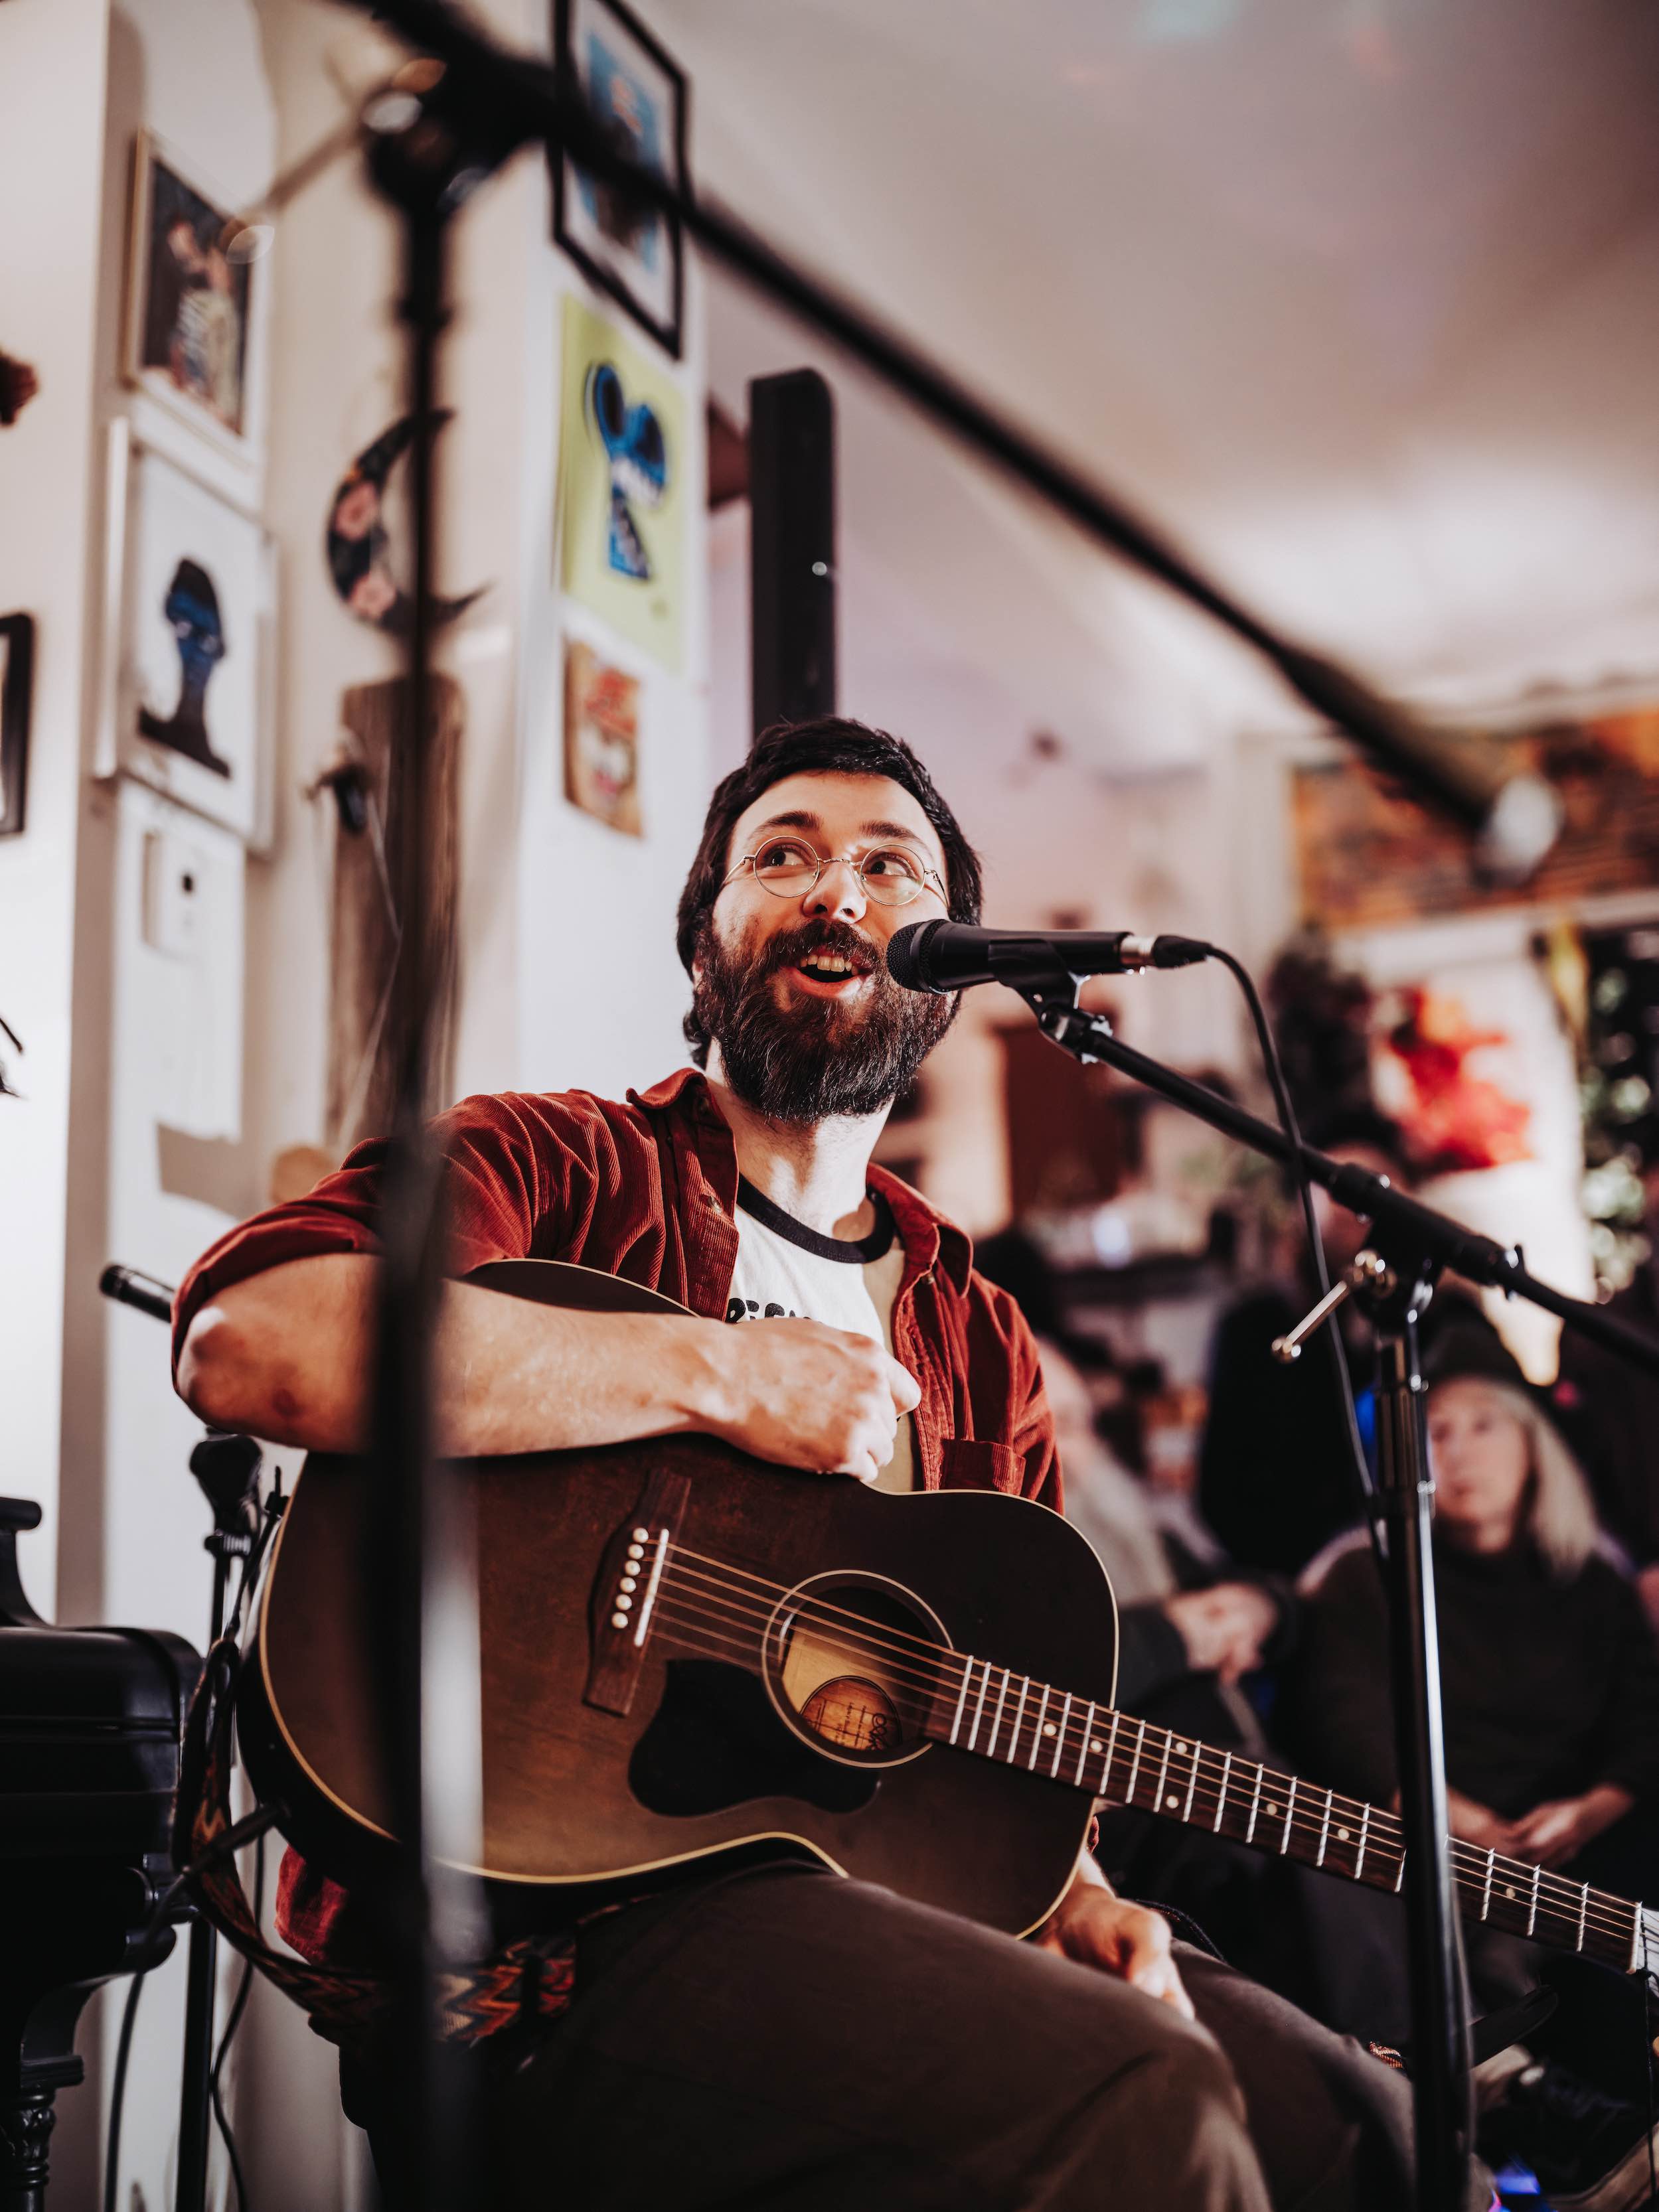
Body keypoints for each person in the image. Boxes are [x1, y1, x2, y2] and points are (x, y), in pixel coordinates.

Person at [175, 718, 1468, 2212]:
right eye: (778, 854)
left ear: (945, 958)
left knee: (1361, 2123)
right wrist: (715, 1370)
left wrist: (1080, 1898)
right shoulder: (556, 1166)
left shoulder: (978, 1334)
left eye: (883, 865)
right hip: (549, 1947)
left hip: (891, 1922)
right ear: (703, 936)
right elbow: (248, 1335)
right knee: (1144, 2103)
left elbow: (998, 1722)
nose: (832, 889)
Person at [1288, 1329, 1659, 2205]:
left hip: (1574, 1838)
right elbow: (1345, 1724)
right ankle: (1530, 2109)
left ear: (1532, 1438)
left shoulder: (1589, 1579)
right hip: (1422, 1839)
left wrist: (1592, 1809)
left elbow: (1644, 1720)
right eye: (1435, 1431)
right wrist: (1460, 1818)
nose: (1456, 1452)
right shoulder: (1358, 1575)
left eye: (1482, 1425)